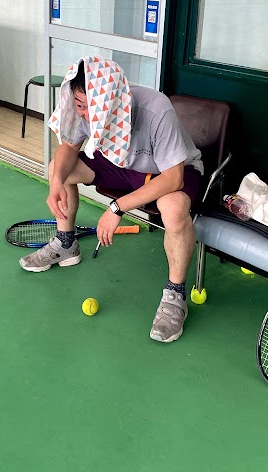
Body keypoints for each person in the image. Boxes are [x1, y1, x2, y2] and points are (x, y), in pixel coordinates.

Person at [19, 56, 203, 343]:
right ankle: (66, 244)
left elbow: (173, 179)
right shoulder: (85, 108)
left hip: (168, 171)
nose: (82, 113)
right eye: (77, 104)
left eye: (87, 107)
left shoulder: (156, 109)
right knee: (59, 168)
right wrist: (54, 183)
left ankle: (175, 295)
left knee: (173, 206)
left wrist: (117, 208)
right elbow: (69, 147)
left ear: (110, 104)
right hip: (123, 165)